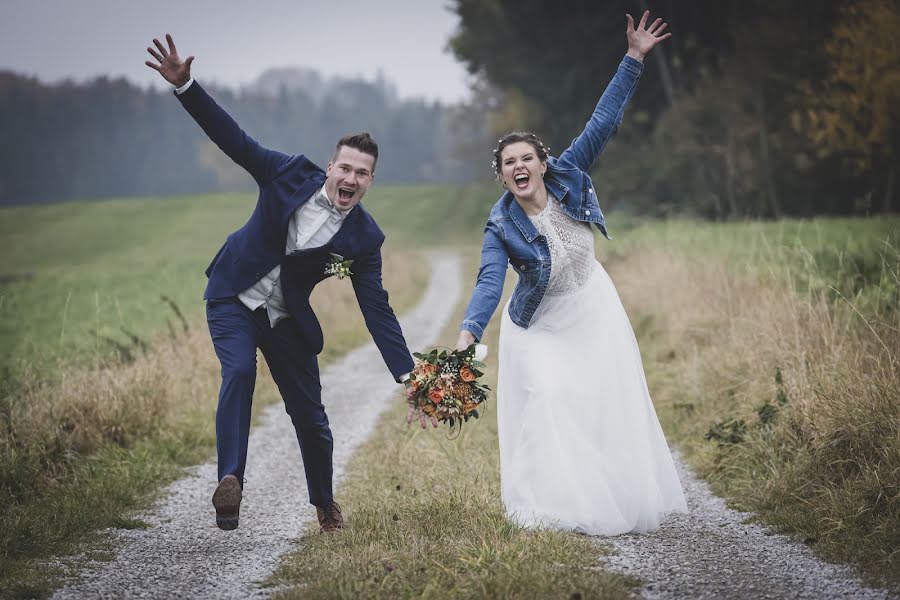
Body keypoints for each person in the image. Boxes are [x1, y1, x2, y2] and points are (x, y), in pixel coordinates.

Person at [145, 34, 415, 533]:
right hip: (233, 294)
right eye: (346, 168)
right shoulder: (288, 173)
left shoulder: (364, 238)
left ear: (370, 182)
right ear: (330, 167)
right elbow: (235, 140)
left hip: (287, 318)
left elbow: (377, 308)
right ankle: (230, 482)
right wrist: (187, 88)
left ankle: (325, 507)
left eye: (363, 173)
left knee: (313, 419)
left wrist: (409, 375)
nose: (352, 178)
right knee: (239, 373)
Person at [453, 12, 687, 535]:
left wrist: (632, 59)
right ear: (501, 174)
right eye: (508, 161)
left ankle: (598, 488)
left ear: (541, 162)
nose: (518, 166)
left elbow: (603, 122)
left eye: (526, 158)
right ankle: (542, 505)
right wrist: (469, 333)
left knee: (597, 405)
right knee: (549, 396)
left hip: (591, 308)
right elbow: (490, 282)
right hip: (536, 324)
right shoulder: (500, 223)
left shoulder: (570, 174)